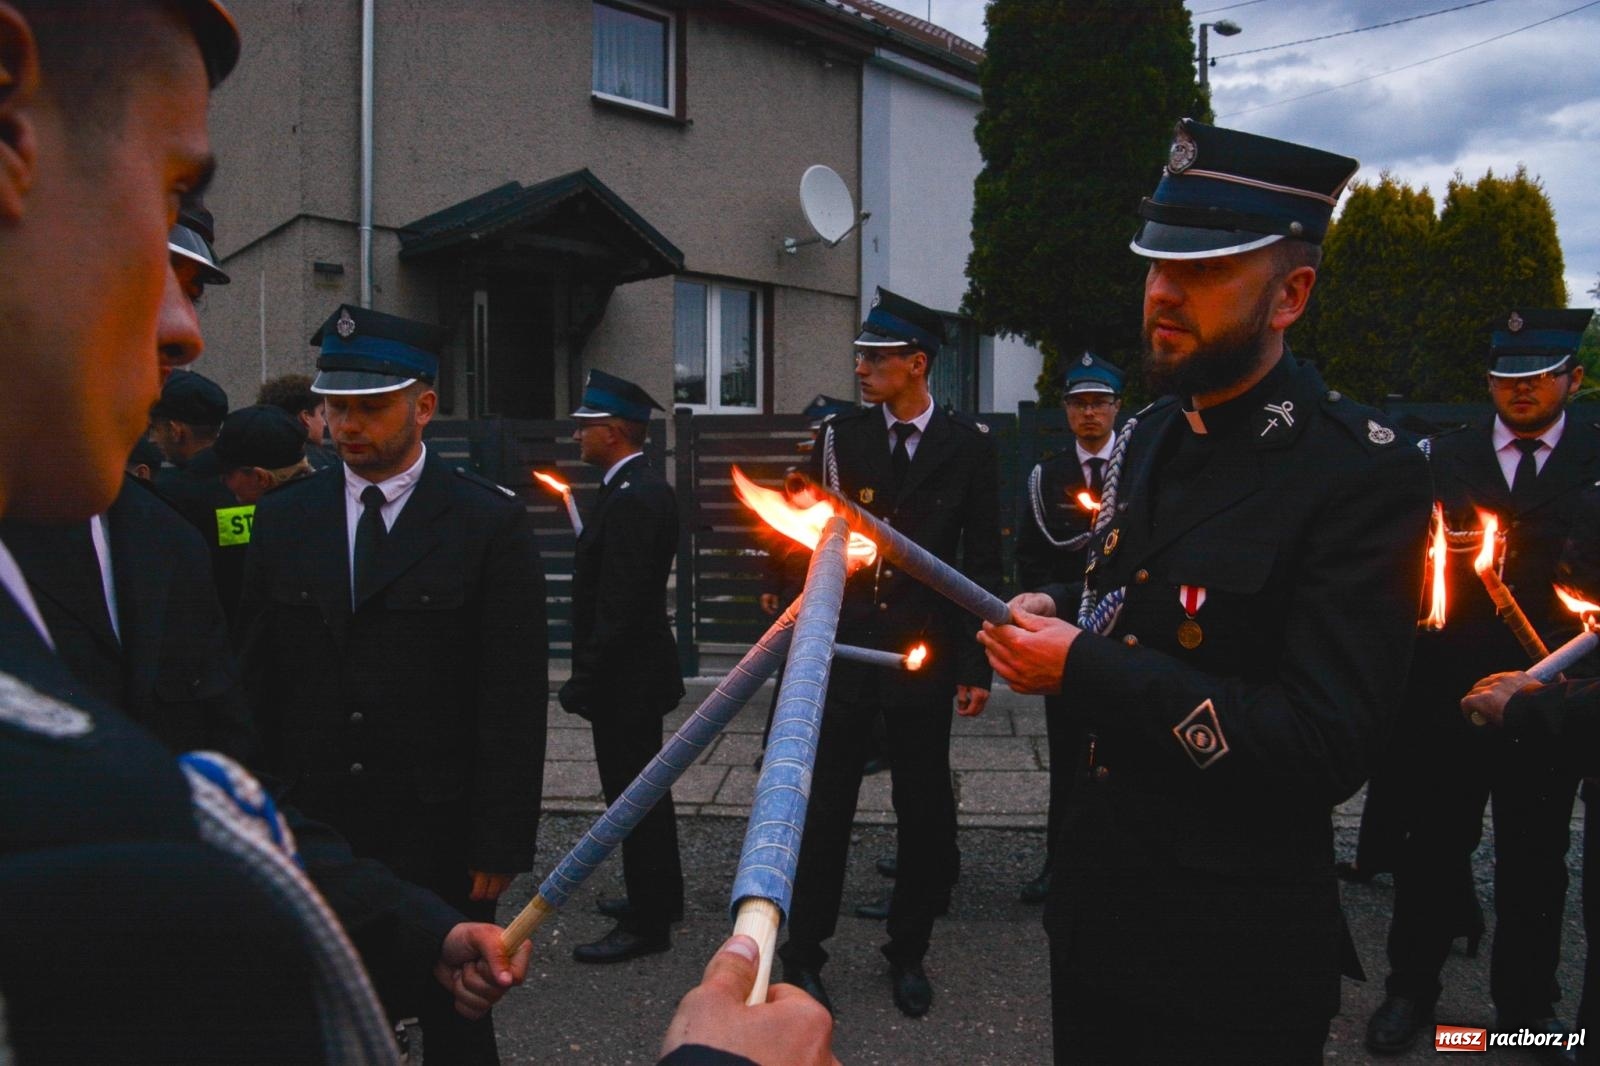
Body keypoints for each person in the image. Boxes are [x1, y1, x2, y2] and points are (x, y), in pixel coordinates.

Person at [0, 2, 531, 1060]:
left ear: (425, 403)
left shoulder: (155, 545)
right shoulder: (266, 523)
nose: (181, 328)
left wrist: (416, 922)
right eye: (164, 198)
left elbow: (222, 780)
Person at [978, 118, 1431, 1063]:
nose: (1163, 296)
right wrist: (1067, 607)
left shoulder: (1355, 474)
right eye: (1155, 266)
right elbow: (1138, 588)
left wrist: (1088, 668)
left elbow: (1324, 743)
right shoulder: (1148, 437)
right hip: (1099, 912)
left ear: (1290, 296)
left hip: (1233, 954)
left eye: (1206, 271)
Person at [236, 302, 549, 1063]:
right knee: (319, 1011)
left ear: (425, 406)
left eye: (370, 408)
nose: (347, 426)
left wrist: (500, 839)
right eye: (336, 407)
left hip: (435, 825)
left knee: (455, 1014)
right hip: (314, 820)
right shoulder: (282, 520)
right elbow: (254, 680)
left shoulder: (486, 525)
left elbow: (511, 696)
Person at [1364, 306, 1600, 1056]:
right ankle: (1410, 993)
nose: (1520, 391)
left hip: (1555, 696)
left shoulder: (1596, 456)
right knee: (1431, 848)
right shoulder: (1443, 457)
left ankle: (1527, 1010)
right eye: (1506, 377)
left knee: (1535, 859)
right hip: (1450, 689)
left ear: (1574, 378)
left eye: (1537, 378)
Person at [776, 286, 1001, 1019]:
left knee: (923, 807)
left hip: (923, 656)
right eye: (861, 356)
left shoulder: (969, 447)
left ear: (916, 363)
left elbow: (981, 568)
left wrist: (976, 665)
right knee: (826, 807)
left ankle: (909, 951)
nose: (862, 368)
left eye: (876, 358)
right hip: (845, 650)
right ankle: (803, 956)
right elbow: (800, 543)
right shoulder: (840, 439)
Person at [559, 368, 687, 962]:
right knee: (641, 793)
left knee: (634, 797)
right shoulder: (629, 488)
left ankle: (649, 920)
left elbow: (620, 601)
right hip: (631, 672)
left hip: (625, 677)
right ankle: (660, 896)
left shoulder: (635, 496)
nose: (577, 435)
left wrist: (585, 676)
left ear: (613, 431)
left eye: (586, 426)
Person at [1013, 352, 1123, 905]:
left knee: (1126, 754)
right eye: (1079, 403)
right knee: (1067, 753)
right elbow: (1031, 557)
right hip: (1067, 634)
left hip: (1128, 631)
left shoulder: (1138, 467)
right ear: (1066, 410)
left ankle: (1117, 867)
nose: (1089, 414)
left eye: (1099, 403)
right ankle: (1060, 864)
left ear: (1117, 407)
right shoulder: (1048, 476)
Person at [215, 402, 313, 504]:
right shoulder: (324, 496)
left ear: (261, 478)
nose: (222, 481)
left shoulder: (272, 517)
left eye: (227, 474)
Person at [260, 371, 341, 470]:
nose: (324, 423)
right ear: (305, 417)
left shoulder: (254, 458)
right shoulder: (328, 463)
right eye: (321, 413)